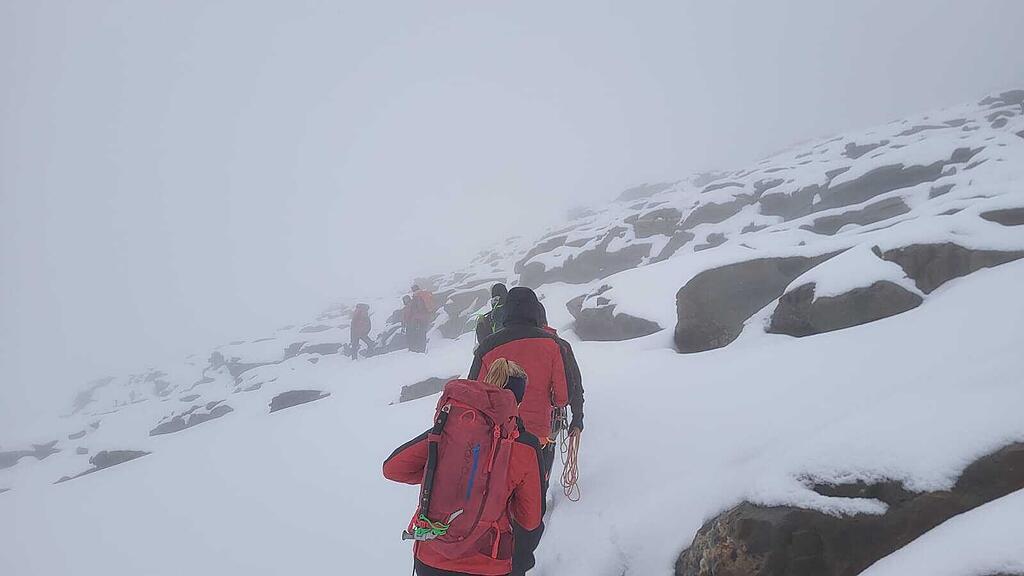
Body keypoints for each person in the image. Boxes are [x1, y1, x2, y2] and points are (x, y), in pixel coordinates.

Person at [383, 359, 544, 576]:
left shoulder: (447, 432)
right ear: (517, 401)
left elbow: (392, 469)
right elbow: (530, 519)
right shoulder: (524, 446)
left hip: (431, 557)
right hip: (488, 563)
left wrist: (448, 466)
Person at [467, 287, 576, 576]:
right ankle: (518, 562)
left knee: (495, 498)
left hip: (496, 439)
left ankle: (494, 557)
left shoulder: (488, 347)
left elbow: (472, 393)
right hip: (538, 438)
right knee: (530, 506)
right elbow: (563, 397)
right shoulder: (552, 343)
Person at [408, 284, 435, 353]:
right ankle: (422, 348)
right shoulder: (423, 294)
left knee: (420, 334)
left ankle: (421, 349)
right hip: (426, 317)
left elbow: (419, 309)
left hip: (419, 318)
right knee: (422, 333)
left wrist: (414, 316)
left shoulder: (417, 297)